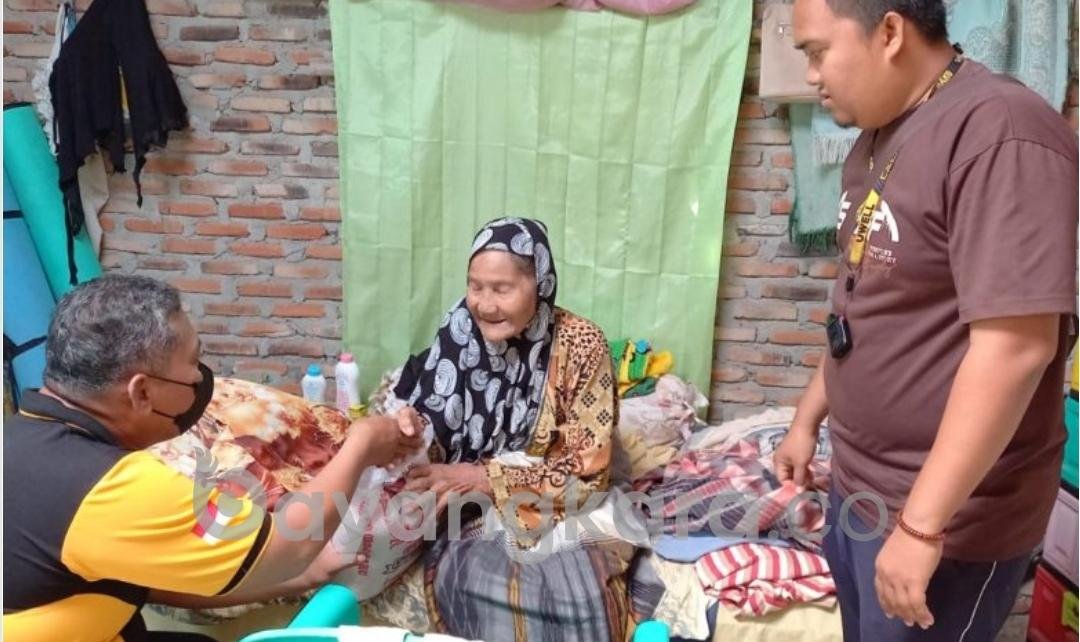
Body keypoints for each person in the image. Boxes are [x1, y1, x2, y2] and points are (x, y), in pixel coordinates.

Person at [773, 1, 1079, 640]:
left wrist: (920, 525)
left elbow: (1017, 348)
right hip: (861, 486)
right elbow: (864, 304)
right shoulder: (879, 134)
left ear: (889, 32)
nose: (810, 74)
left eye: (817, 50)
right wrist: (807, 421)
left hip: (944, 519)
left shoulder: (999, 129)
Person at [3, 274, 424, 641]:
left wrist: (303, 576)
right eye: (191, 366)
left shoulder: (20, 437)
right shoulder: (110, 489)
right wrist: (362, 444)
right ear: (141, 392)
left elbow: (139, 578)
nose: (199, 379)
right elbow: (285, 543)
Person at [389, 216, 631, 641]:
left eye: (502, 289)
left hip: (548, 499)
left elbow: (588, 473)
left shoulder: (582, 344)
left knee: (576, 593)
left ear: (539, 284)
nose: (484, 304)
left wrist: (486, 478)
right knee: (475, 579)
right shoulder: (460, 331)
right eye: (475, 285)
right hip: (467, 506)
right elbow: (434, 423)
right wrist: (412, 430)